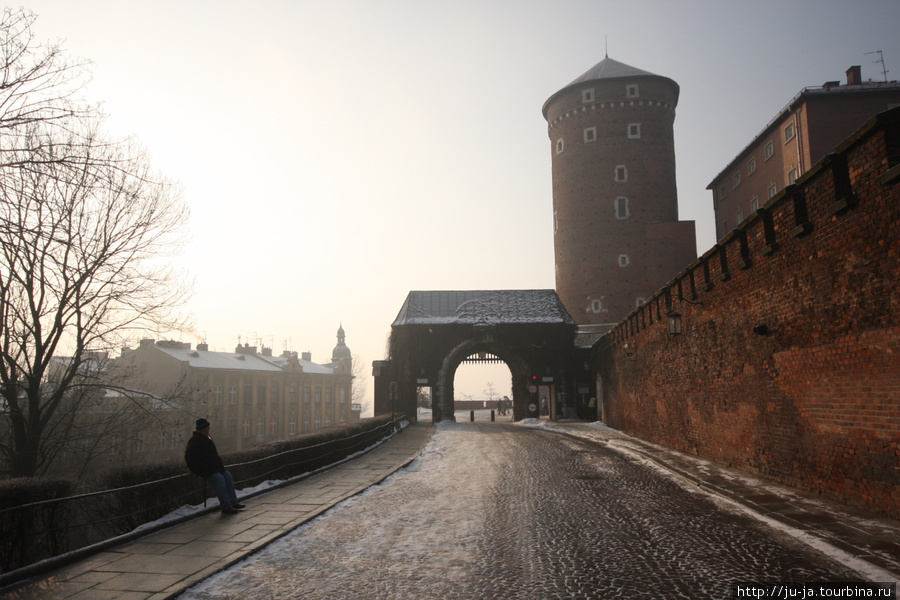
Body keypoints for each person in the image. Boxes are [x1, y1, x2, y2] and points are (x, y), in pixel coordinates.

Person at [184, 418, 245, 514]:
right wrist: (199, 471)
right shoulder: (195, 441)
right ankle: (226, 506)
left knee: (227, 477)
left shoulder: (207, 438)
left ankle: (233, 502)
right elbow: (189, 458)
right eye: (208, 427)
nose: (209, 429)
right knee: (219, 480)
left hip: (216, 468)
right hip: (208, 470)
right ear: (203, 428)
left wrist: (221, 467)